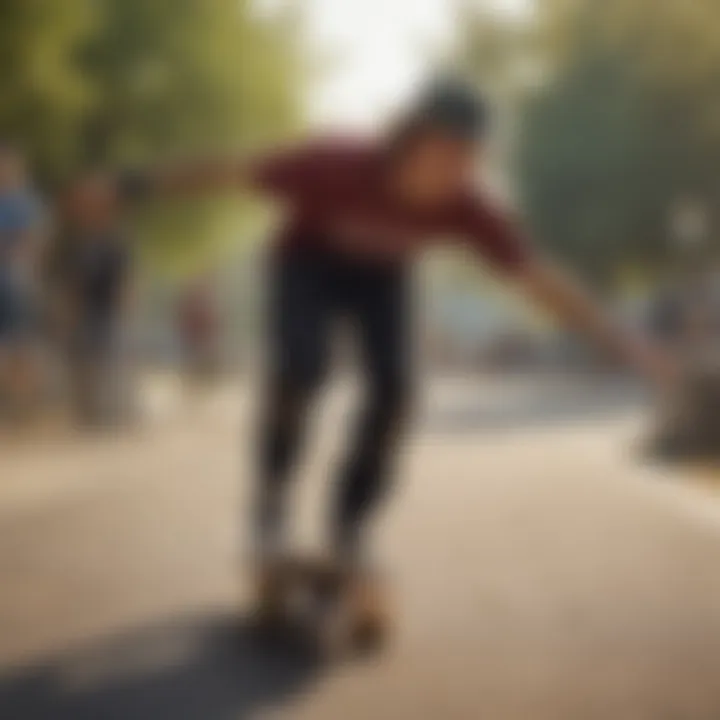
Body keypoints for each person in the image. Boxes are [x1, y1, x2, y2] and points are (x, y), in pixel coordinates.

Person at [65, 79, 675, 607]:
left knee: (397, 390)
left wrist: (622, 340)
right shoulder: (332, 164)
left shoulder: (469, 206)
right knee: (303, 368)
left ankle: (349, 528)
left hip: (382, 281)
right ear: (411, 139)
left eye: (471, 160)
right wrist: (127, 184)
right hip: (306, 264)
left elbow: (538, 278)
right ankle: (270, 512)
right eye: (448, 155)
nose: (458, 173)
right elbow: (227, 170)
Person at [50, 174, 135, 429]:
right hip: (84, 307)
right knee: (81, 357)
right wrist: (67, 309)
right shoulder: (74, 243)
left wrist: (125, 302)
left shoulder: (115, 239)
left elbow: (126, 275)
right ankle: (88, 412)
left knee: (107, 355)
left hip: (106, 306)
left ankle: (110, 411)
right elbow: (70, 279)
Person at [0, 144, 45, 424]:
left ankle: (25, 408)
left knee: (22, 347)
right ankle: (11, 407)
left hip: (16, 282)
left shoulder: (26, 204)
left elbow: (34, 243)